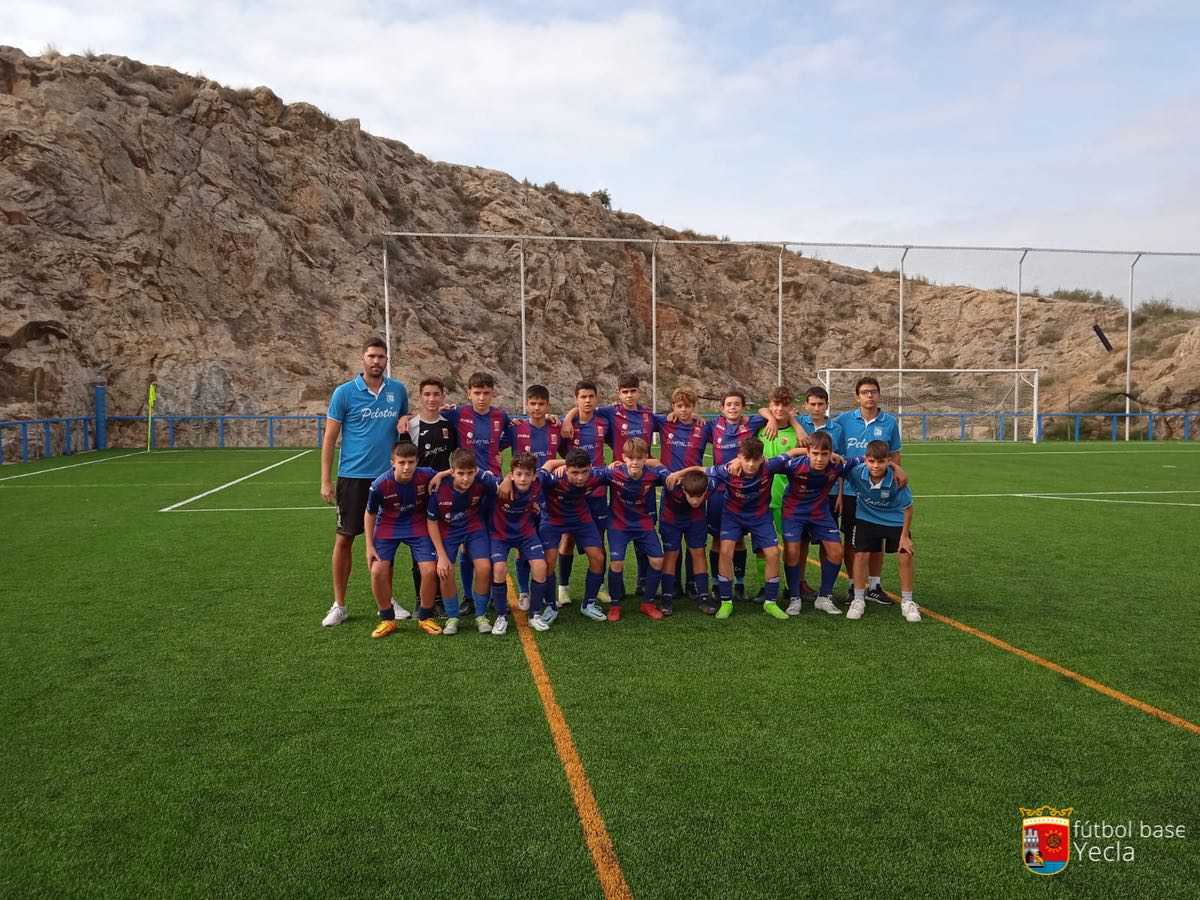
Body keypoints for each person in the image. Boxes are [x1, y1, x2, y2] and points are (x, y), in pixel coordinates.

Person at [320, 337, 410, 628]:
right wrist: (325, 480)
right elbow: (330, 439)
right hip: (352, 477)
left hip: (387, 479)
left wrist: (405, 418)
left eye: (381, 357)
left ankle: (387, 601)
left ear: (386, 360)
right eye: (371, 356)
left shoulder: (397, 391)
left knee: (385, 541)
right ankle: (339, 604)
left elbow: (404, 418)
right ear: (363, 359)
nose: (376, 361)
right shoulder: (344, 393)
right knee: (345, 538)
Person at [669, 436, 789, 620]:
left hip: (760, 516)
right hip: (733, 515)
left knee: (773, 553)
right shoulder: (727, 470)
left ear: (762, 458)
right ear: (739, 456)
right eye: (746, 459)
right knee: (725, 551)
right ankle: (726, 601)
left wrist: (832, 456)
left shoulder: (770, 466)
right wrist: (679, 473)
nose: (750, 464)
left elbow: (793, 452)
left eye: (755, 460)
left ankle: (770, 602)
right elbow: (701, 469)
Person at [363, 442, 443, 638]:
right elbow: (370, 513)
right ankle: (387, 619)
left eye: (411, 462)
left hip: (417, 524)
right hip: (388, 525)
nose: (407, 467)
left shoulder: (426, 474)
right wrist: (369, 546)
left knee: (429, 570)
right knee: (377, 570)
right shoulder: (380, 484)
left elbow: (454, 472)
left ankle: (425, 617)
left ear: (417, 462)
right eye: (401, 462)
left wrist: (441, 475)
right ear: (393, 463)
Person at [834, 377, 902, 605]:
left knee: (877, 539)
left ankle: (874, 586)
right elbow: (840, 460)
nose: (869, 396)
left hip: (878, 493)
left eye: (873, 391)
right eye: (864, 392)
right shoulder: (843, 421)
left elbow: (895, 455)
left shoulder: (889, 422)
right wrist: (840, 493)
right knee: (851, 541)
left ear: (879, 395)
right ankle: (853, 584)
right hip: (852, 492)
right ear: (857, 397)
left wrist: (894, 480)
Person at [842, 441, 920, 623]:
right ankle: (858, 599)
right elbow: (837, 465)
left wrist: (904, 537)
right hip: (866, 518)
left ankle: (907, 601)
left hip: (894, 519)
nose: (876, 466)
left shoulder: (897, 479)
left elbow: (908, 508)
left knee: (905, 553)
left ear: (888, 461)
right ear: (866, 460)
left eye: (881, 462)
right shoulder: (856, 472)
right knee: (860, 554)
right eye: (871, 461)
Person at [427, 449, 500, 636]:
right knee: (445, 571)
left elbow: (500, 487)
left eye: (470, 473)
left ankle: (481, 615)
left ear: (476, 471)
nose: (466, 478)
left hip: (474, 527)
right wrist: (441, 555)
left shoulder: (482, 480)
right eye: (461, 473)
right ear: (452, 471)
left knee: (484, 568)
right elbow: (432, 522)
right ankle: (452, 617)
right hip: (448, 531)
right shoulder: (439, 488)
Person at [776, 432, 848, 616]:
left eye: (824, 454)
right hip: (793, 513)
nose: (819, 459)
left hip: (819, 513)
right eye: (815, 454)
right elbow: (765, 465)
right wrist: (794, 451)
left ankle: (824, 597)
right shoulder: (794, 465)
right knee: (792, 551)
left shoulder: (836, 465)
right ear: (808, 452)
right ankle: (794, 597)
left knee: (836, 552)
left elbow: (867, 461)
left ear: (831, 453)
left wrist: (895, 468)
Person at [402, 377, 458, 614]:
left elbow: (457, 459)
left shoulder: (449, 425)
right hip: (418, 496)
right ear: (420, 397)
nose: (432, 399)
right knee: (420, 549)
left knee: (442, 548)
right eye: (427, 394)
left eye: (436, 394)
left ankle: (440, 600)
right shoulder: (411, 426)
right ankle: (422, 599)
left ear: (443, 397)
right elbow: (405, 460)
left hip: (444, 495)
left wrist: (444, 475)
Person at [597, 438, 669, 621]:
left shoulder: (653, 475)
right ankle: (615, 605)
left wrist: (660, 466)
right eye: (631, 458)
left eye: (639, 458)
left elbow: (672, 478)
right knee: (617, 563)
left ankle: (648, 603)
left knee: (658, 560)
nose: (635, 462)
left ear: (645, 458)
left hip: (643, 523)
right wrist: (562, 467)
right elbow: (588, 474)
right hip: (618, 524)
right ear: (624, 458)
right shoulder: (613, 473)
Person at [506, 384, 563, 610]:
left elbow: (571, 454)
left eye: (541, 404)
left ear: (547, 405)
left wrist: (565, 418)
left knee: (549, 548)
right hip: (522, 497)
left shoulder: (555, 427)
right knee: (523, 548)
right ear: (526, 405)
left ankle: (549, 593)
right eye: (532, 403)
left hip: (549, 497)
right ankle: (523, 592)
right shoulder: (515, 429)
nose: (537, 408)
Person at [555, 381, 611, 606]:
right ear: (576, 399)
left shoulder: (603, 422)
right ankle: (563, 588)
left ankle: (600, 586)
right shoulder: (566, 425)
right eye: (583, 397)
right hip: (571, 491)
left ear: (596, 398)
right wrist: (569, 418)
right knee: (567, 538)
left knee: (598, 539)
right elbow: (560, 451)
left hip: (597, 490)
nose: (587, 400)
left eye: (591, 396)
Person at [654, 386, 711, 601]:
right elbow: (639, 417)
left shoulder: (703, 427)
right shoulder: (664, 422)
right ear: (673, 407)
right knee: (672, 547)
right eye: (679, 406)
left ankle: (696, 587)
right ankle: (672, 587)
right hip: (671, 495)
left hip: (695, 492)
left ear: (694, 407)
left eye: (688, 406)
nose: (684, 410)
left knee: (696, 546)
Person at [539, 449, 610, 621]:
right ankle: (550, 606)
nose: (580, 477)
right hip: (553, 519)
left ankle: (589, 604)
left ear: (590, 468)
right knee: (548, 561)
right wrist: (507, 481)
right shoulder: (552, 478)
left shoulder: (596, 475)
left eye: (584, 472)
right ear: (566, 469)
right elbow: (528, 478)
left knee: (598, 557)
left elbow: (622, 469)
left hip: (581, 518)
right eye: (575, 473)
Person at [793, 385, 845, 601]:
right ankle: (799, 583)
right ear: (806, 405)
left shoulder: (837, 429)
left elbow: (840, 461)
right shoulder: (798, 423)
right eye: (812, 404)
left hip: (828, 492)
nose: (816, 408)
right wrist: (796, 425)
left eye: (820, 404)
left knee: (827, 541)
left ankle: (826, 588)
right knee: (801, 541)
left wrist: (840, 493)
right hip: (801, 492)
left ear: (826, 405)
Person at [491, 453, 554, 631]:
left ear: (534, 476)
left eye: (527, 474)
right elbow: (479, 476)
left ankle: (535, 614)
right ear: (511, 474)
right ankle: (501, 616)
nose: (523, 478)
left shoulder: (538, 481)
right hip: (500, 534)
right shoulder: (499, 486)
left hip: (526, 533)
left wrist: (566, 463)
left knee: (540, 566)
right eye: (518, 474)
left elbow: (550, 464)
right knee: (499, 569)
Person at [657, 469, 714, 615]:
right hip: (671, 520)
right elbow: (654, 464)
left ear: (705, 490)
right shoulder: (671, 483)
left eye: (699, 496)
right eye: (691, 496)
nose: (695, 501)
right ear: (683, 489)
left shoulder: (711, 484)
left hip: (696, 519)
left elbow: (709, 470)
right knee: (671, 554)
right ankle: (666, 598)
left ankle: (703, 597)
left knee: (698, 553)